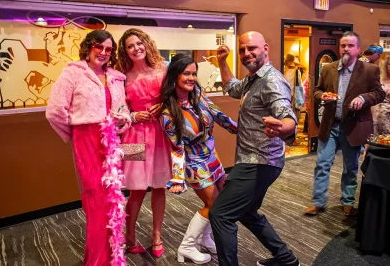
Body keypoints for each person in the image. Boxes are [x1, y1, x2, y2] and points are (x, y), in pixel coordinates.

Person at [209, 31, 299, 266]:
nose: (246, 53)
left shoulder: (272, 81)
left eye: (252, 48)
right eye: (242, 50)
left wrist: (283, 128)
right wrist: (222, 61)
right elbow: (232, 87)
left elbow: (286, 114)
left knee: (220, 215)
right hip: (254, 160)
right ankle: (286, 259)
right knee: (247, 212)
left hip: (259, 161)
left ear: (265, 49)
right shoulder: (253, 78)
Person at [46, 29, 131, 265]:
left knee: (113, 201)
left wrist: (124, 120)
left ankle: (112, 256)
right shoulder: (73, 73)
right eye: (99, 47)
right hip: (87, 142)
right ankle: (98, 261)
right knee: (96, 203)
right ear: (88, 47)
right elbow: (54, 111)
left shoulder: (116, 77)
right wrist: (75, 135)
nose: (103, 53)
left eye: (108, 49)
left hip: (112, 142)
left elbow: (124, 110)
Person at [160, 54, 237, 264]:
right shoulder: (168, 113)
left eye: (194, 73)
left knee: (222, 201)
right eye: (186, 73)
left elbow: (217, 114)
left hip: (213, 157)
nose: (192, 78)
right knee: (213, 204)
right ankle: (187, 246)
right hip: (194, 164)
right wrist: (177, 178)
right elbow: (176, 148)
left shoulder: (198, 94)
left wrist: (240, 129)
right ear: (175, 75)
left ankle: (204, 237)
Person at [303, 31, 385, 217]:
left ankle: (347, 201)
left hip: (353, 125)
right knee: (322, 163)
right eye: (343, 45)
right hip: (330, 124)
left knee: (350, 167)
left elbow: (379, 94)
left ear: (357, 49)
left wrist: (364, 98)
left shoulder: (370, 70)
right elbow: (317, 91)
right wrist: (321, 96)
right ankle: (318, 202)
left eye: (350, 45)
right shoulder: (328, 68)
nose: (346, 49)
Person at [116, 28, 171, 258]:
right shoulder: (121, 75)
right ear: (125, 51)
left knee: (159, 186)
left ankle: (156, 235)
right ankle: (129, 237)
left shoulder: (163, 69)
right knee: (136, 189)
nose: (136, 48)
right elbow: (117, 108)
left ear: (146, 44)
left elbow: (174, 97)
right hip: (133, 136)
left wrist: (164, 106)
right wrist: (133, 116)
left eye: (139, 43)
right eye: (130, 46)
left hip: (160, 134)